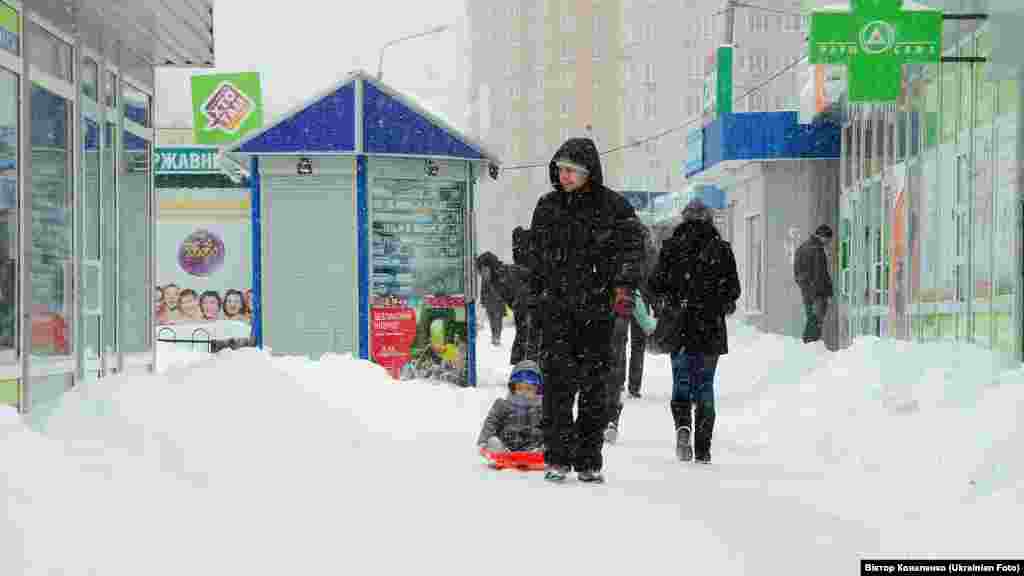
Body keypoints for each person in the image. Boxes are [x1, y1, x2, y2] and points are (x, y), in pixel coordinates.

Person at [525, 137, 645, 484]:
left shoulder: (614, 208)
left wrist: (623, 285)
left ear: (588, 173)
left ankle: (589, 459)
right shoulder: (547, 207)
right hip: (556, 312)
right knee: (558, 388)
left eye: (571, 171)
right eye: (560, 170)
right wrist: (535, 299)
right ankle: (557, 458)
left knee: (595, 388)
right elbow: (537, 259)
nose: (564, 176)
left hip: (598, 312)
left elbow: (633, 250)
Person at [648, 198, 740, 464]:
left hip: (680, 325)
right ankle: (703, 448)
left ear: (684, 219)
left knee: (681, 382)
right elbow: (733, 289)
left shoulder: (671, 247)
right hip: (710, 327)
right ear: (709, 219)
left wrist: (670, 300)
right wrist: (718, 302)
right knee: (705, 386)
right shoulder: (721, 249)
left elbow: (655, 284)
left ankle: (683, 428)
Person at [604, 224, 658, 444]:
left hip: (621, 298)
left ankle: (621, 382)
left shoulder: (616, 250)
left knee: (619, 345)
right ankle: (632, 385)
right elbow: (654, 278)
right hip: (634, 297)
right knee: (637, 345)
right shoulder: (649, 253)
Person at [476, 250, 535, 365]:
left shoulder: (504, 276)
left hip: (528, 308)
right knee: (523, 335)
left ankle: (523, 364)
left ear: (489, 268)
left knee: (526, 336)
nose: (481, 274)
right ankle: (520, 363)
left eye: (482, 270)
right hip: (522, 308)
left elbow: (521, 292)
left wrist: (520, 306)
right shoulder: (497, 277)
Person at [476, 360, 544, 454]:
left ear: (537, 390)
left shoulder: (541, 408)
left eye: (529, 389)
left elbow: (550, 426)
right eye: (520, 388)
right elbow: (491, 423)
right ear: (513, 388)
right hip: (507, 448)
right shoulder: (503, 405)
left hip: (534, 448)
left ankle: (540, 453)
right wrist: (484, 441)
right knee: (494, 442)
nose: (524, 392)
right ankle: (498, 451)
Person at [793, 224, 834, 344]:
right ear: (823, 236)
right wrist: (826, 293)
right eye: (828, 239)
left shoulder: (802, 248)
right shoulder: (817, 249)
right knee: (815, 322)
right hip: (817, 294)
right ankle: (809, 347)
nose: (828, 243)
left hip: (807, 292)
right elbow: (821, 274)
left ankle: (809, 348)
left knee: (812, 320)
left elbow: (797, 274)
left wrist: (805, 287)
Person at [477, 255, 507, 346]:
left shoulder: (489, 273)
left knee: (494, 320)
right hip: (496, 300)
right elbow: (483, 289)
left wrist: (483, 300)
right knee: (495, 320)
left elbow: (484, 289)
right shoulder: (498, 272)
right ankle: (496, 337)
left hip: (493, 300)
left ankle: (496, 337)